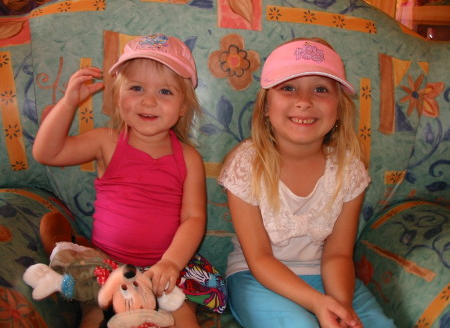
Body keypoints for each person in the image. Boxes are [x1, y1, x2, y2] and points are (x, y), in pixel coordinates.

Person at [32, 33, 227, 328]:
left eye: (165, 92)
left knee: (183, 317)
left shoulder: (188, 158)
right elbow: (47, 152)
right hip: (107, 268)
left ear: (183, 107)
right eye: (136, 88)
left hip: (165, 270)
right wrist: (69, 103)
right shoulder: (106, 142)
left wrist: (171, 263)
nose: (148, 100)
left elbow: (193, 218)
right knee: (96, 315)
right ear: (118, 97)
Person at [218, 38, 396, 328]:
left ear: (338, 108)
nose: (304, 101)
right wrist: (317, 304)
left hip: (329, 277)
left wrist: (339, 307)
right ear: (265, 106)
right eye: (288, 88)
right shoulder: (247, 164)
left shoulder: (348, 169)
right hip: (257, 277)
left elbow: (338, 253)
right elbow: (260, 258)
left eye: (321, 89)